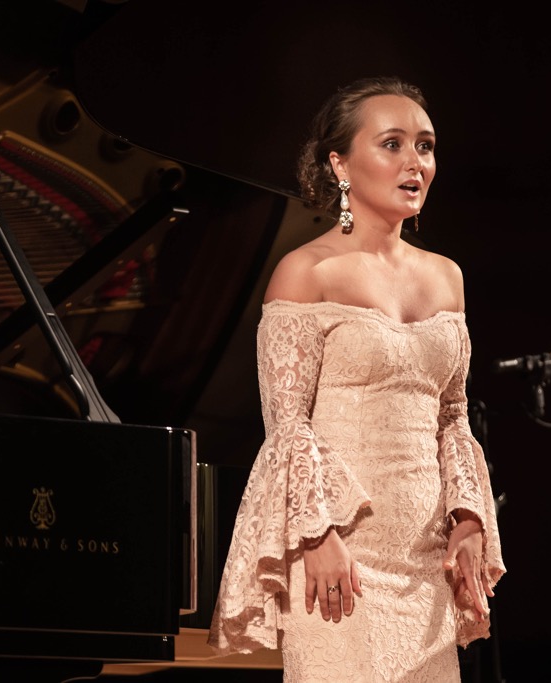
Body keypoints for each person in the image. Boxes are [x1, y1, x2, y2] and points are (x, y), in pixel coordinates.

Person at [208, 75, 505, 681]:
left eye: (425, 146)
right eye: (392, 144)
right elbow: (287, 427)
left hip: (426, 561)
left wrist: (469, 518)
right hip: (340, 553)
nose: (415, 162)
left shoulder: (447, 277)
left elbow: (452, 415)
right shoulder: (306, 272)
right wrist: (316, 536)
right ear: (339, 164)